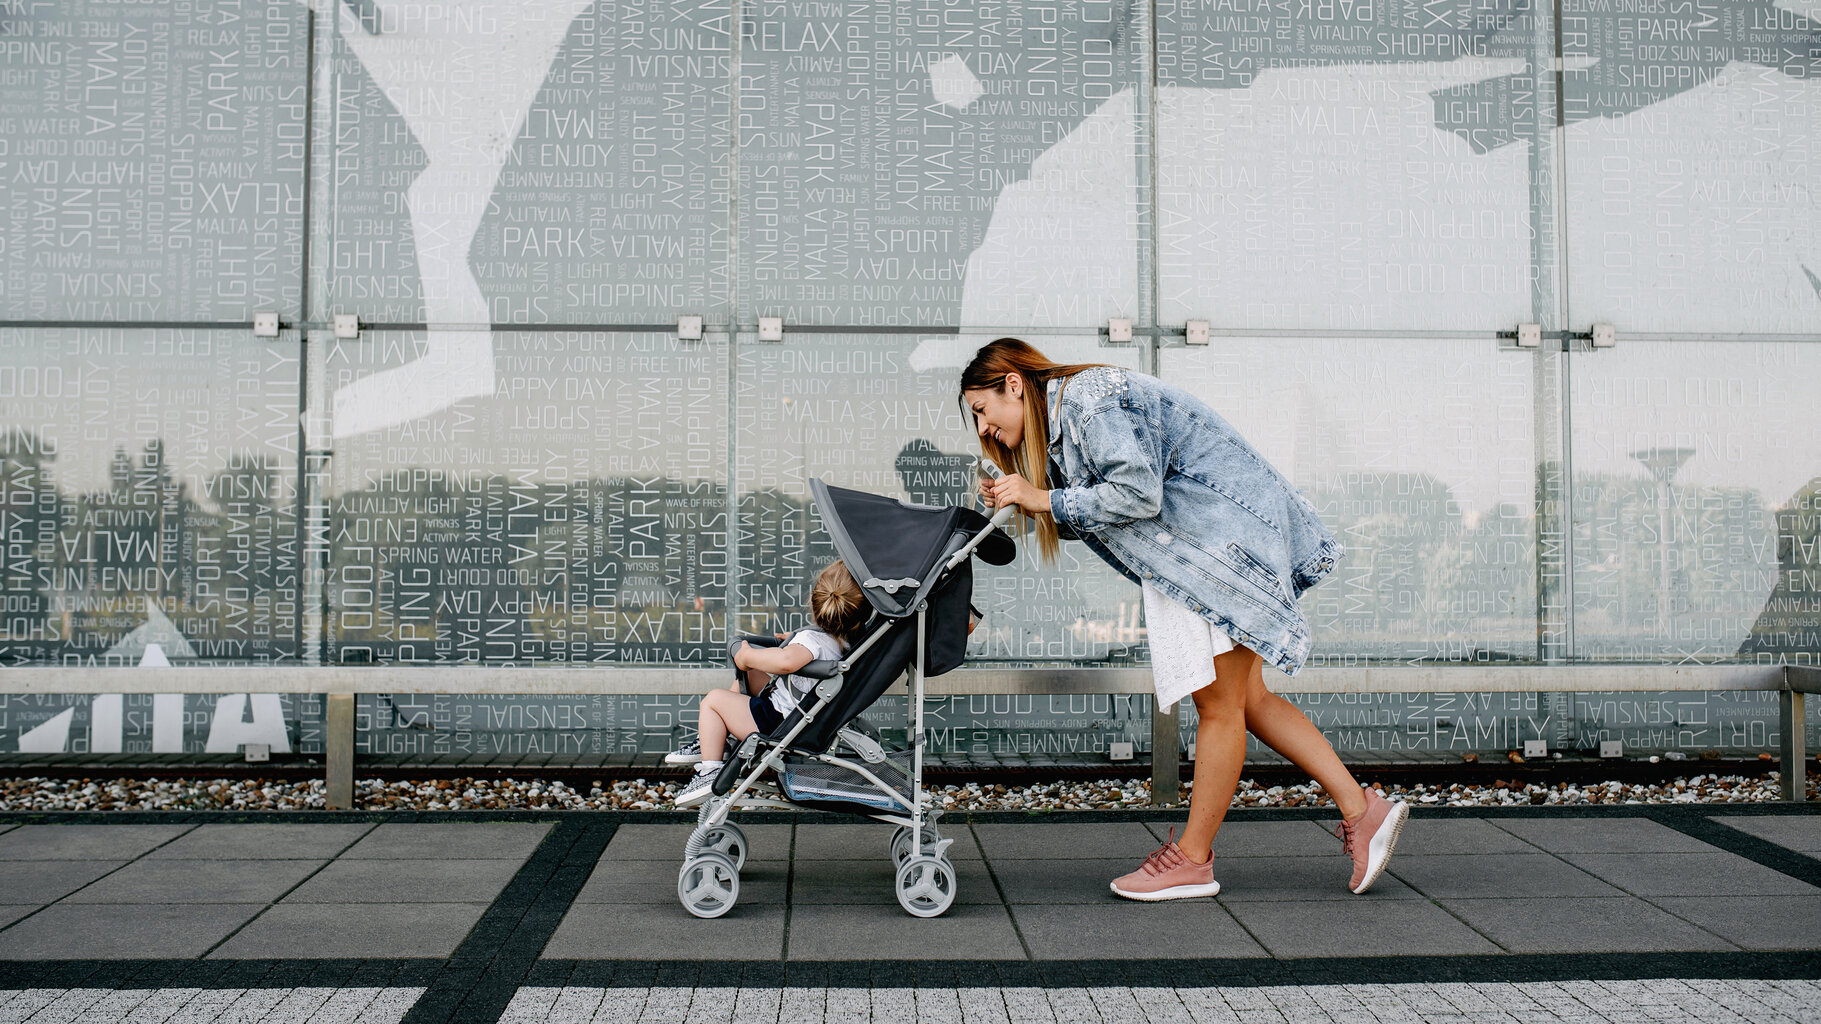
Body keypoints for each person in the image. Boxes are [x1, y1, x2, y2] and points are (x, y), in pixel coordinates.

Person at [960, 338, 1409, 898]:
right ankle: (1361, 809)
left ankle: (1194, 859)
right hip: (1216, 546)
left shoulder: (1088, 399)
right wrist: (1025, 502)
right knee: (1250, 702)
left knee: (1218, 706)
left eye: (980, 409)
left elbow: (1137, 494)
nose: (981, 428)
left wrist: (1044, 500)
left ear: (1012, 383)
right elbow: (1108, 507)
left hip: (1216, 548)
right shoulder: (1069, 419)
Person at [673, 560, 872, 808]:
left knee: (713, 701)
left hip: (778, 722)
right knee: (754, 671)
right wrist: (793, 640)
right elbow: (810, 650)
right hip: (798, 715)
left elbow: (787, 662)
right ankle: (716, 738)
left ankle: (710, 771)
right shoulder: (848, 641)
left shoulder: (812, 641)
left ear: (814, 603)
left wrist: (746, 656)